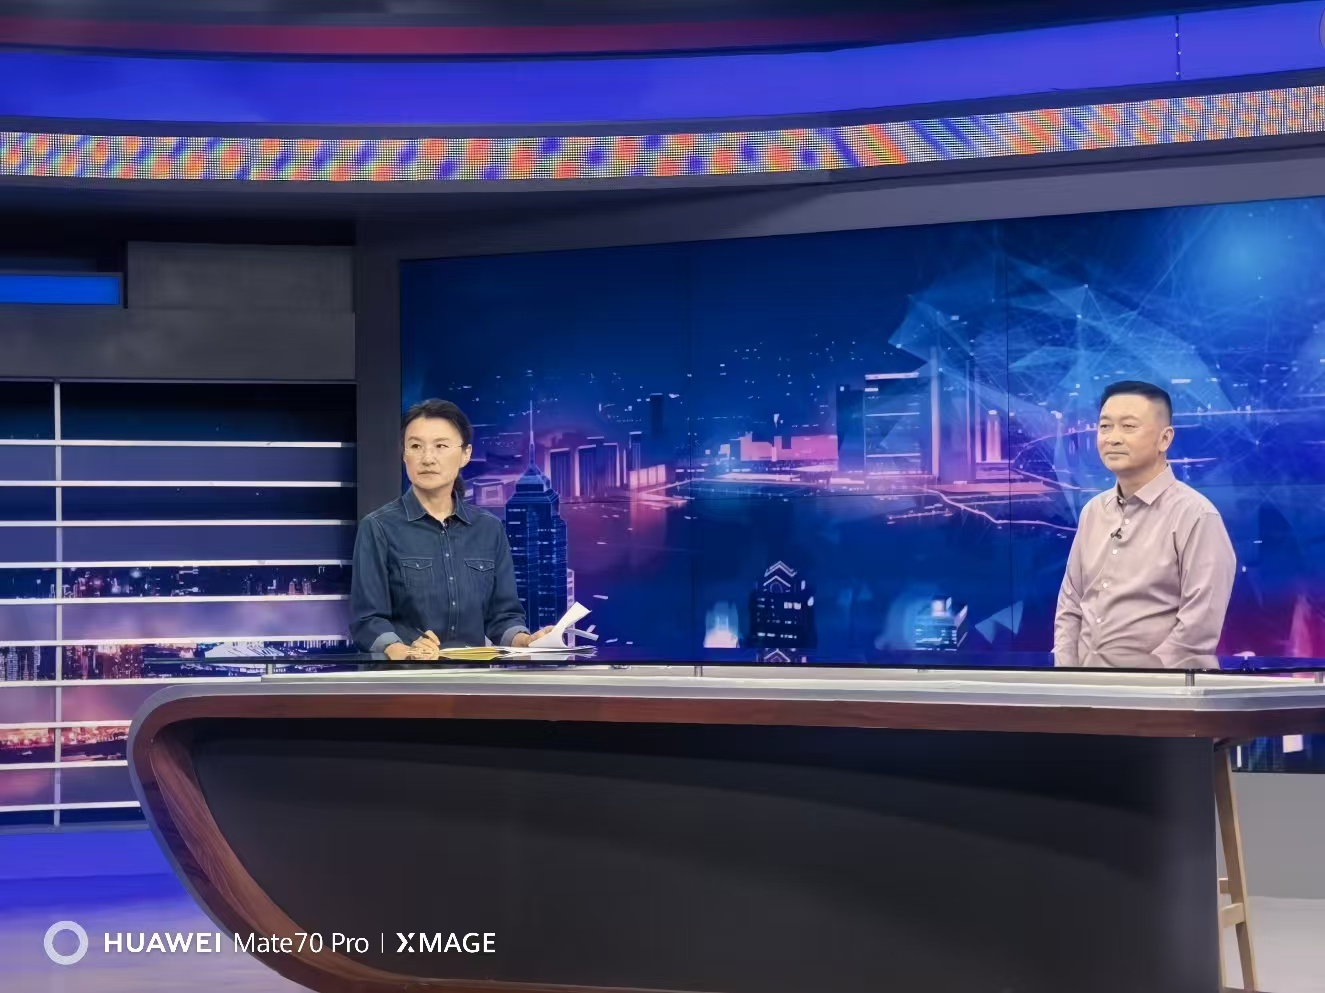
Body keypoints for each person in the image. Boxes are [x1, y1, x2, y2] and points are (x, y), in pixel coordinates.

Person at [349, 399, 554, 660]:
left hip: (473, 677)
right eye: (415, 446)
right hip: (407, 677)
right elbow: (368, 620)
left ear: (465, 454)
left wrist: (526, 641)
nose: (427, 458)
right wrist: (403, 651)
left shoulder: (489, 528)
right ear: (404, 455)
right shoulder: (378, 527)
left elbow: (503, 616)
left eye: (441, 446)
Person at [1053, 380, 1235, 668]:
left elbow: (1197, 628)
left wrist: (1146, 683)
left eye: (1128, 426)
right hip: (1086, 687)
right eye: (1105, 426)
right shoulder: (1093, 512)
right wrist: (1067, 676)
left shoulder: (1196, 516)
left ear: (1165, 439)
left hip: (1160, 690)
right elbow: (1070, 604)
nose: (1113, 438)